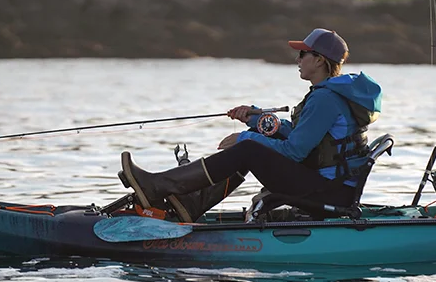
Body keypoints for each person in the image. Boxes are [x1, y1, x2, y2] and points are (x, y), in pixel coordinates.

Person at [119, 28, 382, 222]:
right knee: (250, 145)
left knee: (248, 150)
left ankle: (164, 187)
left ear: (320, 60)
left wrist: (247, 138)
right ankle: (188, 200)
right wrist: (255, 121)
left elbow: (295, 152)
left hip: (330, 193)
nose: (298, 59)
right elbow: (302, 136)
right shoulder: (328, 94)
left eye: (303, 54)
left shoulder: (325, 99)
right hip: (328, 185)